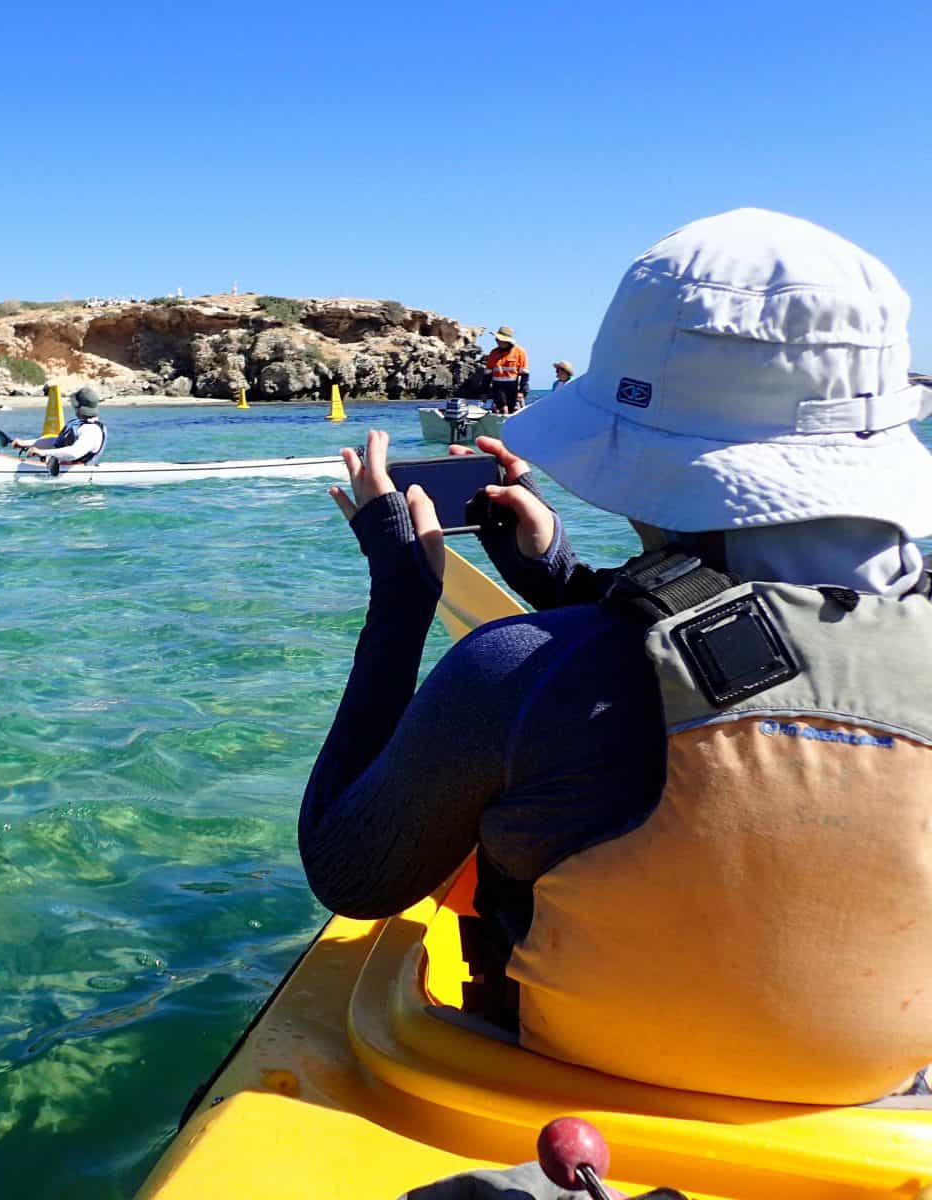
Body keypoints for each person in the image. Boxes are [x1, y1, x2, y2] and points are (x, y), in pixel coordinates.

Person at [303, 208, 932, 1106]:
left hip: (552, 1099)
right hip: (884, 1113)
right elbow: (796, 659)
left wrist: (406, 594)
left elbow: (350, 872)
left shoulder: (519, 671)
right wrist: (559, 576)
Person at [8, 386, 107, 466]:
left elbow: (74, 453)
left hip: (80, 484)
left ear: (78, 406)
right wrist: (25, 443)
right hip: (63, 468)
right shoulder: (80, 424)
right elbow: (56, 441)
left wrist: (43, 453)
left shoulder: (91, 431)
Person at [484, 327, 528, 413]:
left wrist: (521, 392)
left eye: (499, 339)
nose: (497, 341)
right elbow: (487, 375)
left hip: (513, 387)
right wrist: (484, 392)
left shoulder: (519, 352)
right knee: (504, 409)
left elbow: (524, 374)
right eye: (496, 339)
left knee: (514, 410)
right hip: (498, 387)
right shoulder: (494, 353)